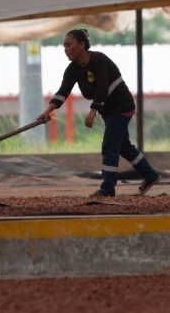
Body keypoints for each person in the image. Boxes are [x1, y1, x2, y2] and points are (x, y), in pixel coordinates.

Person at [37, 29, 159, 197]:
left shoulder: (99, 60)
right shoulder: (72, 69)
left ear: (81, 45)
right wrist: (47, 111)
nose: (66, 49)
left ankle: (107, 188)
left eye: (69, 45)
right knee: (123, 146)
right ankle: (150, 175)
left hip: (122, 107)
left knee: (109, 146)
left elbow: (102, 87)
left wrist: (93, 112)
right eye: (64, 46)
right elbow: (62, 92)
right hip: (107, 111)